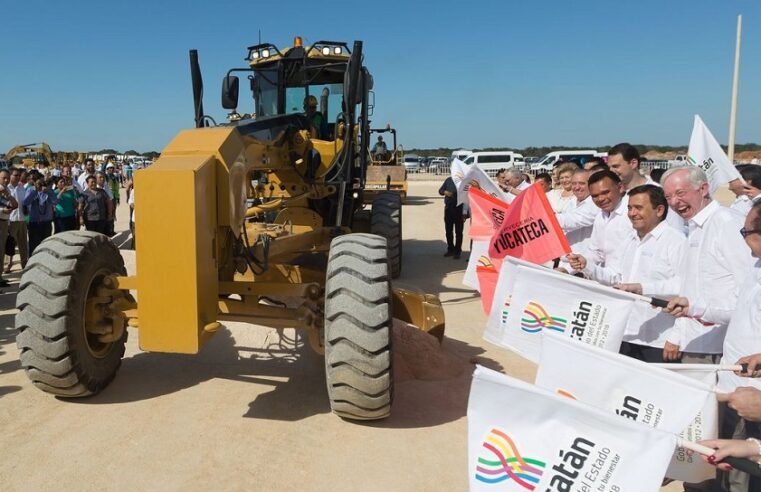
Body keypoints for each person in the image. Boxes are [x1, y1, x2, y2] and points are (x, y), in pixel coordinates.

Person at [569, 185, 686, 362]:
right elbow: (615, 277)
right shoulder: (629, 240)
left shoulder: (676, 241)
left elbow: (684, 286)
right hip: (626, 334)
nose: (632, 213)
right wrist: (587, 266)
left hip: (660, 340)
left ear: (659, 210)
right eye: (630, 208)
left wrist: (642, 289)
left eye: (638, 208)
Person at [662, 166, 753, 360]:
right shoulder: (694, 227)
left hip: (722, 348)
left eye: (680, 193)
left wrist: (696, 309)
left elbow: (749, 292)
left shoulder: (727, 223)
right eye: (668, 197)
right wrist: (678, 334)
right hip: (695, 342)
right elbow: (689, 287)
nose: (674, 202)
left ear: (703, 189)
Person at [566, 170, 631, 276]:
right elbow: (596, 252)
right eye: (595, 196)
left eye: (605, 192)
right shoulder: (601, 216)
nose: (601, 199)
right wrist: (569, 269)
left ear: (620, 187)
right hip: (610, 280)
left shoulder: (631, 213)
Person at [556, 169, 598, 263]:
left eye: (582, 183)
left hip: (583, 263)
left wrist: (544, 217)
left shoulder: (595, 203)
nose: (577, 187)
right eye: (574, 183)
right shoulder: (571, 202)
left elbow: (573, 221)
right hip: (565, 260)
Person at [23, 176, 57, 255]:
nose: (43, 185)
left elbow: (55, 202)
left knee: (46, 246)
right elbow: (25, 202)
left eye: (45, 183)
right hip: (35, 223)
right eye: (41, 184)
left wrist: (48, 191)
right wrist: (35, 190)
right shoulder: (31, 190)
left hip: (47, 223)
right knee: (34, 246)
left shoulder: (50, 191)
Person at [7, 167, 29, 270]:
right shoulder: (7, 188)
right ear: (10, 176)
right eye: (15, 175)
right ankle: (8, 265)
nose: (18, 177)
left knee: (23, 244)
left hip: (22, 219)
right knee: (10, 244)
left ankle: (24, 265)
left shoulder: (22, 188)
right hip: (11, 220)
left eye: (19, 175)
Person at [438, 176, 465, 259]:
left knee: (459, 232)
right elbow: (440, 190)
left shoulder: (464, 181)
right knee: (448, 231)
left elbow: (467, 197)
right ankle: (450, 249)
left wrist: (465, 213)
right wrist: (445, 192)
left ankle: (457, 251)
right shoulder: (448, 180)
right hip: (448, 209)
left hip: (459, 210)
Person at [0, 169, 18, 287]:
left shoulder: (6, 190)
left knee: (1, 251)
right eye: (3, 178)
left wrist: (8, 195)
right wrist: (2, 210)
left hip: (5, 222)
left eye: (7, 178)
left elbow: (15, 205)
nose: (6, 180)